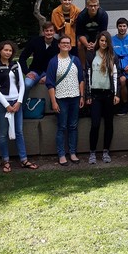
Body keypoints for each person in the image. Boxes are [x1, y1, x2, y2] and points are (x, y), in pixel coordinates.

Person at [0, 40, 38, 173]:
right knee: (3, 133)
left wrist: (19, 102)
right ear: (0, 51)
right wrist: (6, 105)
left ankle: (23, 159)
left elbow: (22, 85)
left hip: (16, 102)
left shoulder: (16, 65)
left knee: (19, 132)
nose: (8, 52)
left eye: (10, 50)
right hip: (2, 104)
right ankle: (5, 160)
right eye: (5, 50)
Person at [46, 35, 84, 166]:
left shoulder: (76, 60)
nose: (66, 45)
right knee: (62, 127)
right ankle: (61, 154)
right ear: (59, 45)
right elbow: (50, 83)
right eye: (63, 43)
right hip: (60, 99)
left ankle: (72, 153)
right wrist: (54, 101)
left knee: (73, 126)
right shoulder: (53, 62)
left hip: (74, 97)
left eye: (68, 43)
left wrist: (82, 96)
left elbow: (81, 79)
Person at [86, 31, 120, 164]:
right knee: (95, 124)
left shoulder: (112, 56)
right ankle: (92, 152)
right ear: (98, 41)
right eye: (101, 41)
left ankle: (106, 151)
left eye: (106, 41)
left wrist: (116, 94)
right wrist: (88, 94)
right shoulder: (91, 55)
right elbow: (87, 76)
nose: (104, 43)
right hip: (95, 95)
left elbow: (116, 75)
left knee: (109, 124)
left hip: (108, 94)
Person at [19, 21, 59, 106]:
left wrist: (48, 75)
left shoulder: (58, 44)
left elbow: (60, 63)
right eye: (47, 31)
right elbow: (22, 58)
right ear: (43, 32)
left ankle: (56, 108)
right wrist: (27, 72)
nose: (49, 33)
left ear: (54, 32)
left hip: (50, 72)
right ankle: (21, 109)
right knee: (27, 85)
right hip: (35, 71)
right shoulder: (35, 42)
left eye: (51, 30)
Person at [76, 0, 109, 67]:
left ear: (98, 6)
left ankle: (103, 65)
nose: (93, 8)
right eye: (91, 6)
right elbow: (80, 34)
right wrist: (87, 44)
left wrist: (96, 44)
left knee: (104, 41)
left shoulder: (103, 15)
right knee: (79, 44)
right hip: (86, 35)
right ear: (87, 6)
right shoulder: (81, 16)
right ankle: (83, 67)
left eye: (95, 5)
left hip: (98, 35)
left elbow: (103, 33)